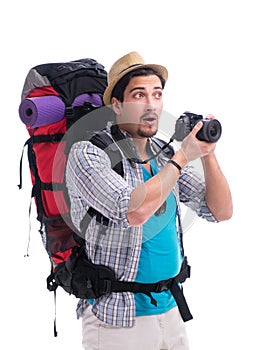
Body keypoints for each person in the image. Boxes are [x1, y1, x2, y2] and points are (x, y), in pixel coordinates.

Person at [65, 51, 233, 350]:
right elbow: (132, 210)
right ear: (117, 105)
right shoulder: (88, 154)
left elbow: (220, 211)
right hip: (118, 318)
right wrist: (184, 156)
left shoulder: (163, 153)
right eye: (139, 94)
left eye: (157, 94)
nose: (151, 104)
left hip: (170, 309)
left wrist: (208, 154)